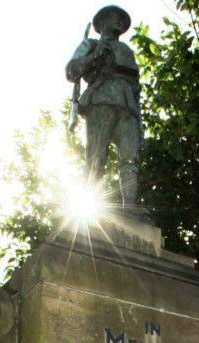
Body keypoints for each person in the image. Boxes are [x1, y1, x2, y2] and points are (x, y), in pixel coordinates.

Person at [66, 5, 145, 220]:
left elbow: (136, 89)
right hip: (100, 100)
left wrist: (140, 124)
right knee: (95, 157)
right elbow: (71, 71)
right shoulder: (91, 44)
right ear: (100, 24)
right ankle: (90, 208)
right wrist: (95, 57)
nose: (119, 20)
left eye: (121, 18)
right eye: (113, 16)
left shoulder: (127, 50)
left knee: (130, 159)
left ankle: (129, 205)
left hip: (128, 106)